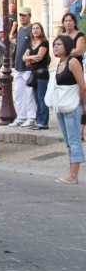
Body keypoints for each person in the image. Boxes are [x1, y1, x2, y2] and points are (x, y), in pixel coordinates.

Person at [50, 34, 86, 184]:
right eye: (54, 45)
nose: (55, 47)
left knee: (74, 139)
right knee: (68, 140)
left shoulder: (73, 63)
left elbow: (82, 85)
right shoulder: (59, 64)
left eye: (58, 44)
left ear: (66, 46)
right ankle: (71, 173)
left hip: (73, 106)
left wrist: (84, 105)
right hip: (61, 106)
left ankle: (74, 175)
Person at [8, 7, 36, 127]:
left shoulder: (32, 29)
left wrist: (29, 58)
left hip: (28, 67)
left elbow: (34, 45)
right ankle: (21, 116)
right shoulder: (20, 29)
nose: (22, 17)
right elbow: (18, 43)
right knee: (19, 94)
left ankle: (31, 117)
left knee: (30, 95)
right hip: (18, 66)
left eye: (24, 15)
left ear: (29, 15)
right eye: (20, 15)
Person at [22, 23, 51, 130]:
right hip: (34, 74)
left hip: (42, 73)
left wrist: (29, 58)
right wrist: (30, 58)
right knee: (36, 99)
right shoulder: (32, 43)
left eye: (37, 28)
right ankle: (39, 120)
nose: (35, 30)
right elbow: (23, 58)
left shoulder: (44, 43)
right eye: (33, 28)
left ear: (41, 30)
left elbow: (39, 57)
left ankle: (43, 122)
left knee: (41, 98)